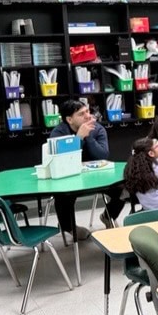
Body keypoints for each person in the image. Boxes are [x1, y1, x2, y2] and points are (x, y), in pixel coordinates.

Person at [50, 99, 126, 235]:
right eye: (81, 114)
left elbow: (102, 155)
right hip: (71, 178)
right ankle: (69, 227)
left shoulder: (98, 129)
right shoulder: (59, 133)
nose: (88, 116)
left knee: (125, 188)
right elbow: (63, 161)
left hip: (98, 177)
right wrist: (78, 138)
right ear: (69, 119)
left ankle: (108, 216)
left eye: (88, 111)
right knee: (62, 194)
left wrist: (88, 137)